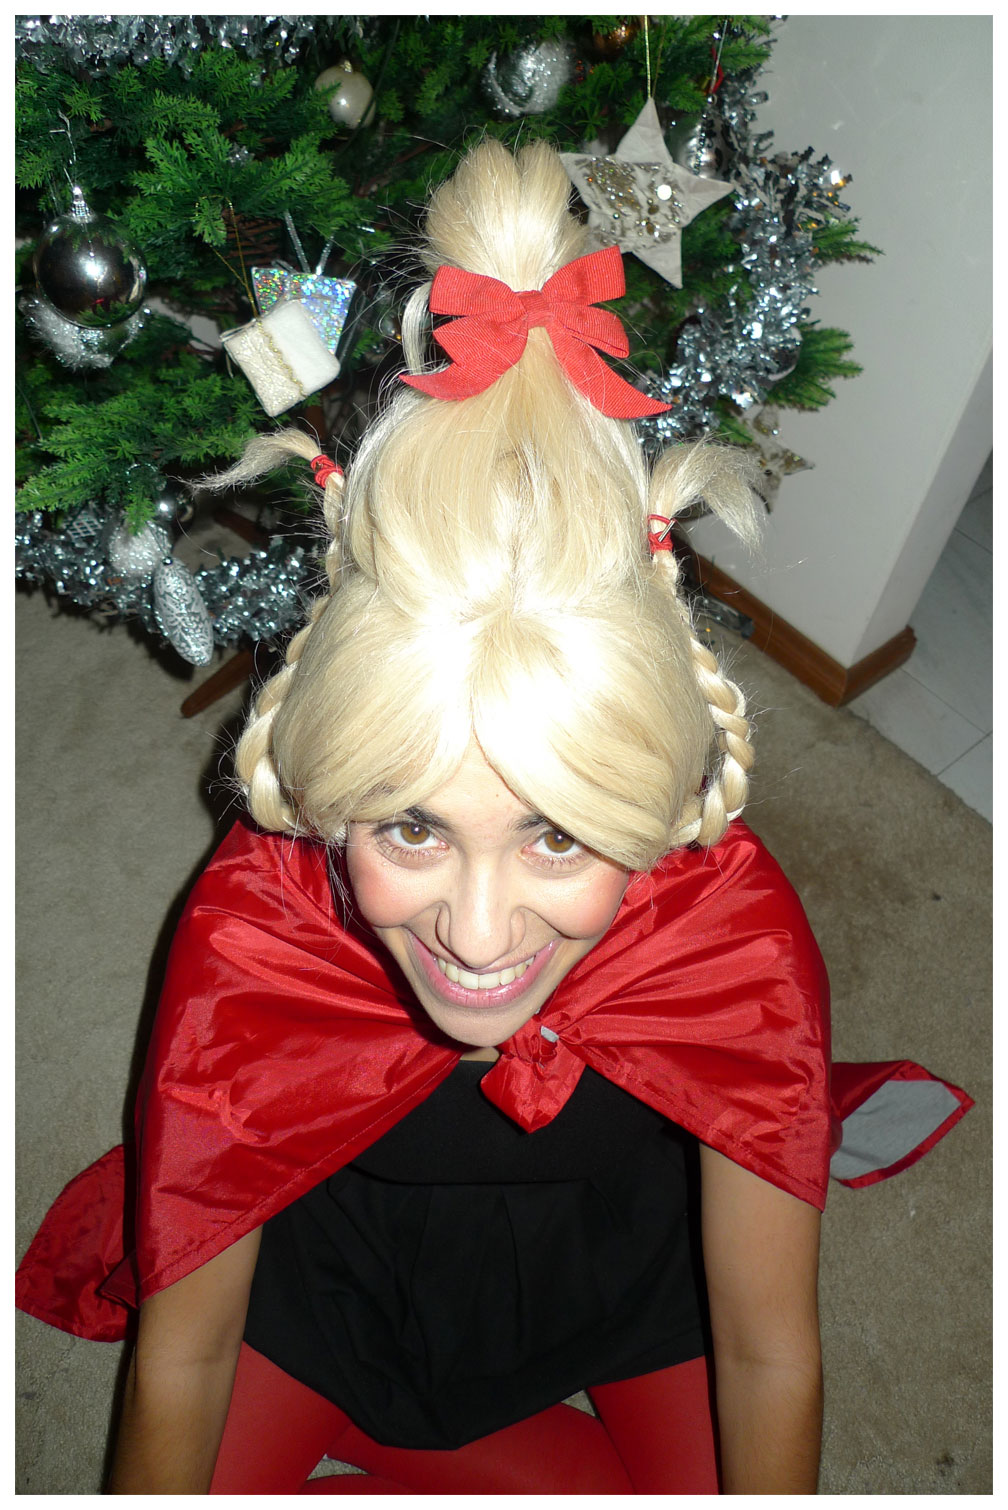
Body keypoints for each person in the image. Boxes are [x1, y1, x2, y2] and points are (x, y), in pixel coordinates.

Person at [14, 140, 968, 1494]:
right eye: (410, 827)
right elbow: (182, 1359)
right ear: (321, 795)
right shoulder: (262, 928)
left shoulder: (731, 939)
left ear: (661, 804)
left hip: (615, 1270)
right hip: (332, 1271)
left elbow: (771, 1355)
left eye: (557, 833)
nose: (475, 935)